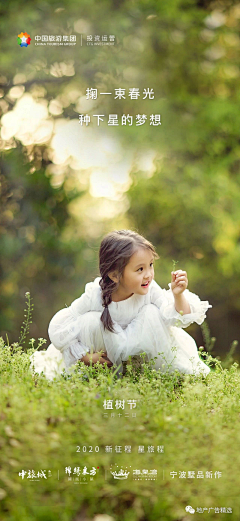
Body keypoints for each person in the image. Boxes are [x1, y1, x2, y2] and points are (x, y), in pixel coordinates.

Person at [30, 229, 212, 380]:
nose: (148, 274)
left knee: (152, 313)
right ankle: (97, 375)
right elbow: (60, 326)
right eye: (140, 269)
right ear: (115, 275)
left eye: (150, 265)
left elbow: (177, 318)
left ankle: (145, 376)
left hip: (138, 359)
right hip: (104, 356)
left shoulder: (150, 290)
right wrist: (85, 357)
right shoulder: (95, 295)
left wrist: (178, 295)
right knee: (91, 320)